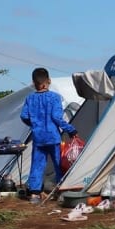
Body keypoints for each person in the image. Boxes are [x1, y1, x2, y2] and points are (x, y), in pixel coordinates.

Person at [20, 67, 77, 205]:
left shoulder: (30, 98)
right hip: (53, 136)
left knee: (37, 165)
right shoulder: (55, 98)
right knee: (59, 163)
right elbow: (56, 117)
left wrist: (33, 124)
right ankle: (61, 191)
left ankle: (35, 194)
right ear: (49, 81)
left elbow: (24, 116)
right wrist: (70, 129)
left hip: (38, 137)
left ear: (34, 83)